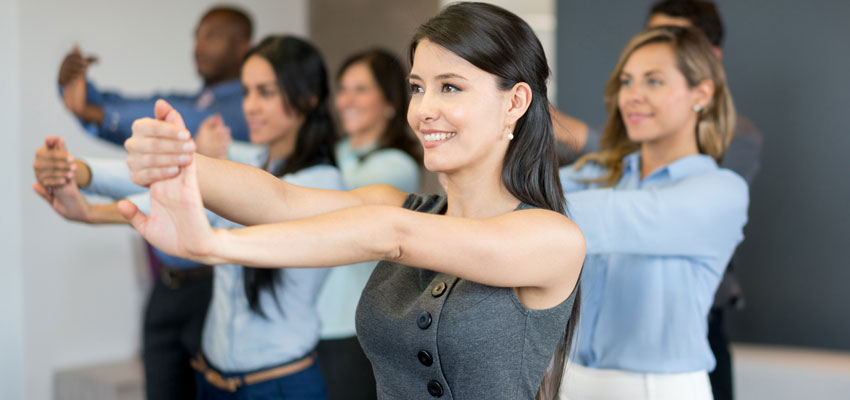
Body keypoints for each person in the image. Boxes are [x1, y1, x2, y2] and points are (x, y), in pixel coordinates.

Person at [117, 3, 584, 399]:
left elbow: (392, 236)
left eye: (450, 87)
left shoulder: (551, 239)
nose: (423, 110)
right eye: (418, 87)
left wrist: (216, 245)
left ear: (516, 102)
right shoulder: (399, 207)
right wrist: (178, 161)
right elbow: (280, 198)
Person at [35, 35, 344, 399]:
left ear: (307, 97)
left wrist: (94, 210)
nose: (251, 107)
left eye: (266, 93)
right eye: (246, 93)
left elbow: (206, 207)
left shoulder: (324, 181)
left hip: (279, 384)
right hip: (213, 379)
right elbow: (171, 182)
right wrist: (78, 171)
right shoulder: (250, 160)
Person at [557, 26, 748, 400]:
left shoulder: (722, 191)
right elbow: (517, 200)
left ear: (702, 93)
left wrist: (525, 205)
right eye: (627, 82)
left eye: (654, 81)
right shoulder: (594, 174)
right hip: (572, 381)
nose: (632, 96)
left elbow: (601, 217)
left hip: (659, 389)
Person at [646, 3, 763, 399]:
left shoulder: (737, 142)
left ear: (711, 61)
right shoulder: (618, 151)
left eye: (677, 45)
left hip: (697, 326)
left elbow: (661, 219)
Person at [315, 49, 421, 400]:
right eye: (343, 89)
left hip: (353, 326)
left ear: (390, 103)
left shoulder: (396, 165)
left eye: (360, 89)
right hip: (314, 322)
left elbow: (333, 202)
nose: (346, 99)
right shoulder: (337, 152)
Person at [57, 6, 252, 147]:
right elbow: (134, 107)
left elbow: (189, 122)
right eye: (197, 37)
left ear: (242, 48)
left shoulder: (244, 109)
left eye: (212, 37)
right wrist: (71, 81)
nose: (198, 48)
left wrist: (93, 111)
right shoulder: (198, 100)